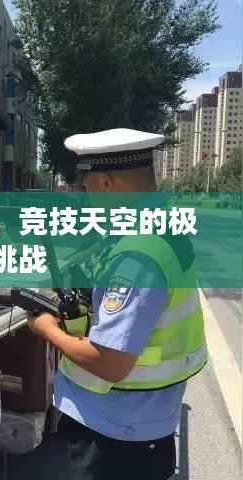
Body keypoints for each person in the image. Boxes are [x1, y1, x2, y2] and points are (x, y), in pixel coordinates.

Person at [25, 129, 207, 480]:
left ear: (106, 183)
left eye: (87, 186)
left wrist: (46, 329)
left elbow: (110, 363)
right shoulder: (163, 225)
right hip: (144, 422)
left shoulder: (136, 257)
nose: (86, 196)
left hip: (114, 435)